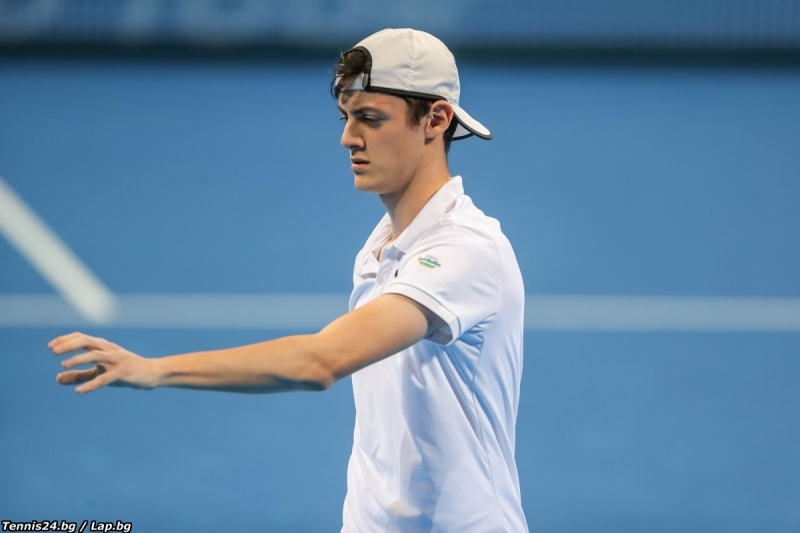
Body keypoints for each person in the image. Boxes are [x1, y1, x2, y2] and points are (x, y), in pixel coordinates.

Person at [50, 28, 528, 532]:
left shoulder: (466, 250)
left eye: (370, 119)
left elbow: (319, 361)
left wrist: (155, 370)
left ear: (436, 119)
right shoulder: (382, 245)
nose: (348, 137)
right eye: (346, 117)